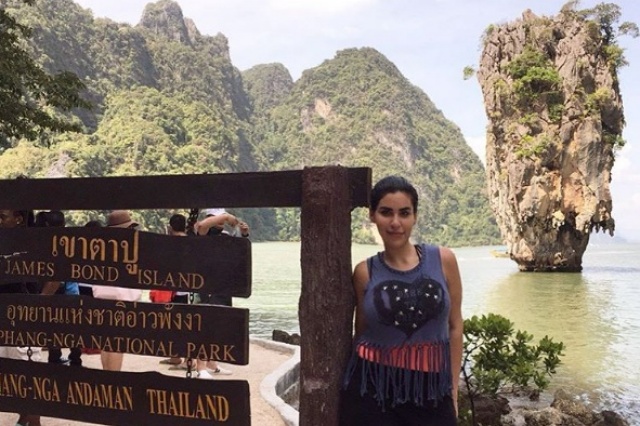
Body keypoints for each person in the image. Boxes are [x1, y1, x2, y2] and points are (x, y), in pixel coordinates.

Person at [339, 176, 463, 426]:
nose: (395, 222)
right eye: (386, 212)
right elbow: (361, 331)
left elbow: (455, 326)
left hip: (431, 391)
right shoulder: (364, 273)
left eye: (404, 213)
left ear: (414, 216)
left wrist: (453, 391)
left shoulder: (443, 260)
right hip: (371, 390)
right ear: (372, 215)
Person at [0, 208, 59, 426]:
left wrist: (36, 306)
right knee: (9, 375)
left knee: (28, 376)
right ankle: (23, 420)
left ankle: (32, 422)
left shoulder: (33, 245)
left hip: (24, 320)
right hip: (3, 318)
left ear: (18, 219)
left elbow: (56, 277)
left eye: (2, 217)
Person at [92, 210, 142, 371]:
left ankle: (107, 375)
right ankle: (113, 377)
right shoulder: (127, 247)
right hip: (121, 298)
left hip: (102, 297)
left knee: (106, 341)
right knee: (117, 342)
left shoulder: (101, 246)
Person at [36, 210, 83, 367]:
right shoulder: (66, 242)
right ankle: (75, 357)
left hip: (56, 290)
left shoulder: (42, 243)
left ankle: (55, 356)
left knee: (53, 325)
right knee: (72, 326)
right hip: (68, 290)